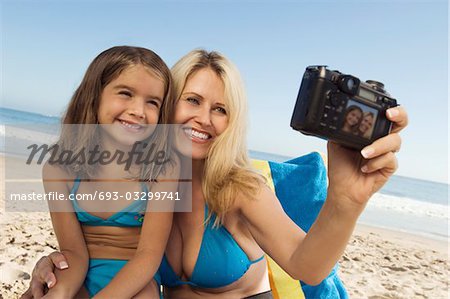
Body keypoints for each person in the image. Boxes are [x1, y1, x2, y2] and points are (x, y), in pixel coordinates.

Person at [22, 49, 408, 298]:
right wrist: (50, 264)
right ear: (167, 105)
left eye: (220, 109)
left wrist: (346, 201)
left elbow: (307, 267)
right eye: (192, 100)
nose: (203, 119)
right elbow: (95, 247)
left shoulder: (240, 189)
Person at [33, 46, 179, 298]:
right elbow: (73, 252)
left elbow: (148, 256)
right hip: (81, 270)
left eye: (152, 102)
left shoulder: (163, 167)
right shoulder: (58, 167)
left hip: (137, 279)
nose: (138, 111)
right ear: (94, 95)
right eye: (125, 93)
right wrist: (61, 293)